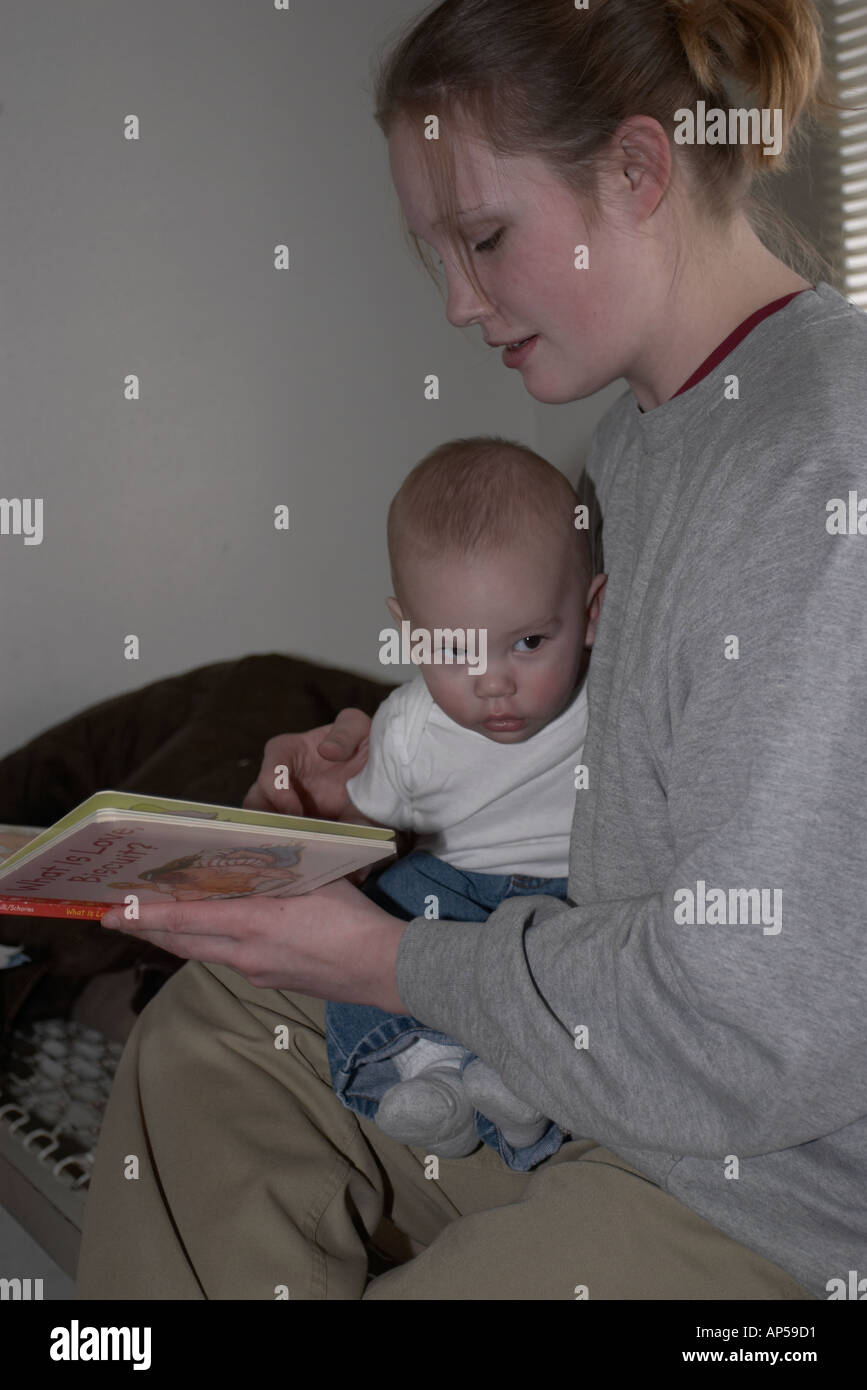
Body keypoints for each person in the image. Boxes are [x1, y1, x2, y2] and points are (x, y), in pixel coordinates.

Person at [76, 0, 866, 1300]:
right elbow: (611, 768)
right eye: (433, 252)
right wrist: (401, 763)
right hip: (609, 1093)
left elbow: (748, 1024)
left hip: (766, 1193)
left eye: (482, 237)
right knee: (216, 1028)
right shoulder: (634, 445)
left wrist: (387, 958)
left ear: (634, 169)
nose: (453, 301)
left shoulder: (811, 470)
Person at [325, 437, 605, 1168]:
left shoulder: (613, 700)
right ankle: (433, 1083)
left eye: (528, 642)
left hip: (574, 901)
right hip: (447, 890)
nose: (490, 683)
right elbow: (362, 836)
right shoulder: (407, 729)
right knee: (372, 909)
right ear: (407, 629)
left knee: (589, 967)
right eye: (453, 650)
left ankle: (508, 1094)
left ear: (592, 612)